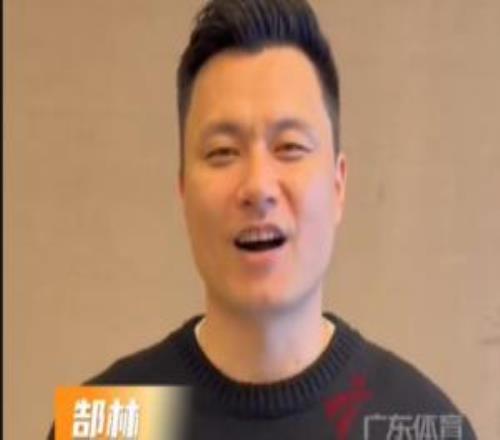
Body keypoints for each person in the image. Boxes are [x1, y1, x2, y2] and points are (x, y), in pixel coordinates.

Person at [49, 0, 477, 438]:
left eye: (289, 147)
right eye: (223, 152)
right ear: (183, 190)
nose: (257, 187)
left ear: (338, 184)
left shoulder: (420, 424)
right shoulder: (107, 425)